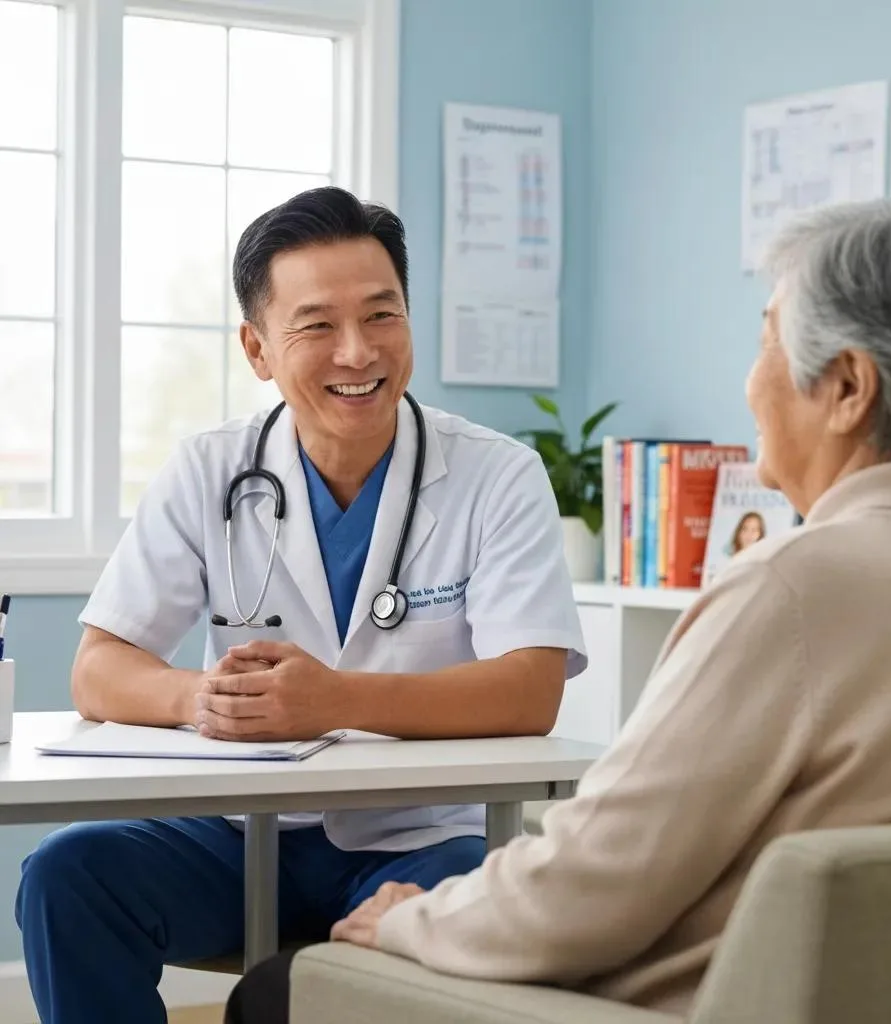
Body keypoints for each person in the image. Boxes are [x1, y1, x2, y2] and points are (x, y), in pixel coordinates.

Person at [226, 195, 891, 1022]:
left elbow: (591, 885)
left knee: (279, 992)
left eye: (766, 345)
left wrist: (410, 922)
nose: (753, 383)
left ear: (849, 388)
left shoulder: (790, 589)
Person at [15, 186, 587, 1024]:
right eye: (317, 326)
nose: (358, 352)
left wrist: (333, 701)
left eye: (382, 315)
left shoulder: (495, 475)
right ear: (257, 348)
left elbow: (530, 688)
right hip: (238, 835)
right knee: (68, 877)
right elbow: (99, 670)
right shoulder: (210, 470)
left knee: (456, 914)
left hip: (425, 840)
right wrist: (202, 698)